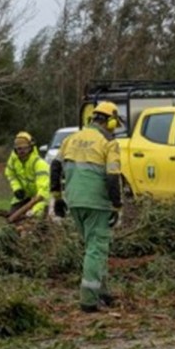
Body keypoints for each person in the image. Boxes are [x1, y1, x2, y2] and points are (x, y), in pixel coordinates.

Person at [50, 101, 122, 313]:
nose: (114, 130)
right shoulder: (108, 143)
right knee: (96, 249)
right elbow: (113, 177)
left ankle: (102, 292)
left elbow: (55, 167)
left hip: (74, 201)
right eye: (114, 125)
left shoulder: (71, 139)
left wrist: (58, 198)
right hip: (96, 203)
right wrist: (117, 206)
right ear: (109, 122)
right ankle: (89, 300)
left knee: (94, 248)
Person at [5, 131, 50, 218]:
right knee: (12, 215)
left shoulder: (39, 164)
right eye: (19, 149)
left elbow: (43, 192)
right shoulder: (13, 161)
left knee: (34, 216)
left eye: (25, 148)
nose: (22, 151)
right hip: (25, 197)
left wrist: (34, 210)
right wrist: (17, 188)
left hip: (41, 198)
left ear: (31, 147)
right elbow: (10, 174)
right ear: (15, 149)